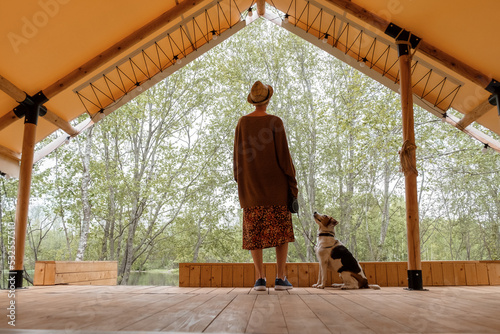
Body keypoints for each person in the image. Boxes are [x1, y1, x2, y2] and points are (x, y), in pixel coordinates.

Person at [233, 80, 298, 291]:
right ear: (268, 99)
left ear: (252, 101)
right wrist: (292, 185)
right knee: (281, 233)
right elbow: (284, 158)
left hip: (251, 189)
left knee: (255, 234)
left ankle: (260, 279)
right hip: (276, 189)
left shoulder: (242, 123)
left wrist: (241, 182)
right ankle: (281, 278)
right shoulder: (275, 122)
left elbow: (236, 158)